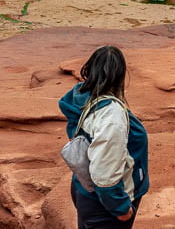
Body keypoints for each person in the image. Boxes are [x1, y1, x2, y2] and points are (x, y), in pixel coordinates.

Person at [58, 45, 149, 228]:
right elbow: (104, 173)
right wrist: (121, 208)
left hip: (84, 189)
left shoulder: (81, 95)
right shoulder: (111, 116)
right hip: (104, 205)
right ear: (119, 75)